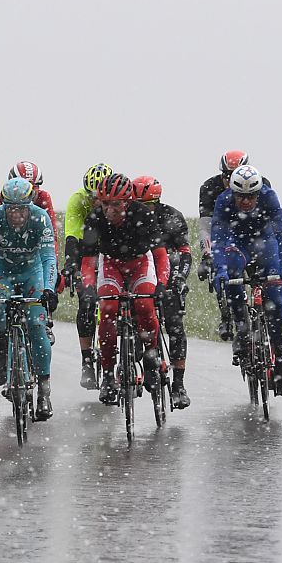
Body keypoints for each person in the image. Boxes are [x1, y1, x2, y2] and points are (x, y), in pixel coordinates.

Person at [77, 173, 171, 406]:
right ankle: (109, 375)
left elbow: (160, 255)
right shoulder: (95, 217)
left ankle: (151, 356)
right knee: (108, 309)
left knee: (144, 305)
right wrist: (88, 286)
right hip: (111, 263)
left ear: (127, 202)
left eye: (115, 204)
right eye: (105, 203)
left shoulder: (143, 214)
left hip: (140, 263)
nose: (109, 210)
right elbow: (88, 260)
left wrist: (162, 284)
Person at [0, 178, 59, 420]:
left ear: (29, 205)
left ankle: (44, 390)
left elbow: (48, 259)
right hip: (2, 272)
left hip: (32, 273)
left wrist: (50, 289)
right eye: (11, 209)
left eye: (21, 208)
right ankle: (2, 349)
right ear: (4, 206)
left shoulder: (40, 217)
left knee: (36, 324)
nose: (17, 215)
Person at [211, 165, 282, 396]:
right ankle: (242, 329)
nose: (246, 202)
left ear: (259, 193)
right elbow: (218, 238)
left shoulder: (269, 197)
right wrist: (220, 270)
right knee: (232, 277)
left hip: (265, 244)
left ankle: (280, 364)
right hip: (236, 244)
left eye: (251, 197)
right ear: (233, 192)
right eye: (241, 197)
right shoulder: (223, 201)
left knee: (276, 304)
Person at [196, 150, 271, 341]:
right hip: (225, 234)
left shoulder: (261, 184)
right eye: (226, 176)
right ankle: (227, 315)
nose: (230, 181)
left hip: (252, 236)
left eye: (234, 174)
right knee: (222, 271)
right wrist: (207, 253)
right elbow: (206, 226)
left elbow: (270, 222)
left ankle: (264, 314)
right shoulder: (209, 188)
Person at [132, 176, 193, 409]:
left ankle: (179, 384)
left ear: (156, 202)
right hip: (142, 272)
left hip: (168, 272)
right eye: (137, 204)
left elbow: (185, 253)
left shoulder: (172, 217)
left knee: (175, 325)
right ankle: (142, 356)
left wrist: (179, 278)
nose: (142, 209)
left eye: (147, 205)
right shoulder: (131, 217)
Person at [63, 162, 114, 389]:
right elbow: (72, 236)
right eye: (91, 196)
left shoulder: (117, 200)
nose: (95, 202)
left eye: (99, 197)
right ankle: (86, 362)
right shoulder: (77, 200)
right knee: (86, 303)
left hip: (112, 253)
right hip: (87, 254)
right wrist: (71, 266)